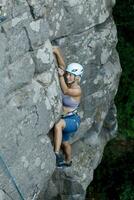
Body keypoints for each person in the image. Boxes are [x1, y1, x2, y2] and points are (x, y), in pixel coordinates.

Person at [53, 46, 83, 167]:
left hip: (72, 120)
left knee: (58, 125)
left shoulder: (77, 90)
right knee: (65, 143)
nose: (67, 77)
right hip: (68, 118)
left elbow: (65, 91)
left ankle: (56, 154)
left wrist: (60, 76)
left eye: (71, 75)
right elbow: (62, 66)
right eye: (68, 75)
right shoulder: (70, 82)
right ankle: (68, 160)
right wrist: (56, 52)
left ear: (77, 77)